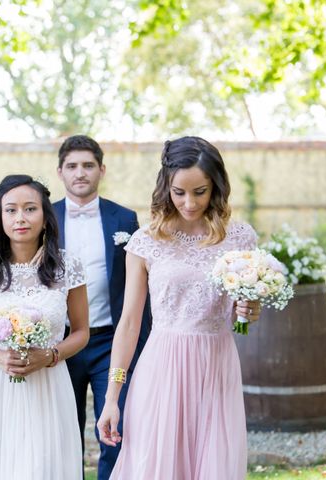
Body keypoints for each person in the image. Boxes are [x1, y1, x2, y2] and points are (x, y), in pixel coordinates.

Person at [97, 136, 262, 480]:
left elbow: (239, 312)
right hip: (161, 368)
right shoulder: (145, 241)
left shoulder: (241, 238)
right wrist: (112, 396)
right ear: (166, 188)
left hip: (216, 367)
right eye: (179, 192)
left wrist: (248, 310)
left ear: (215, 186)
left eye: (199, 192)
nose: (189, 202)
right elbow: (129, 324)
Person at [0, 174, 89, 479]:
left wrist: (51, 355)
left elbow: (81, 332)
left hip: (49, 386)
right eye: (10, 210)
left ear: (45, 216)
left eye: (30, 209)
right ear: (0, 217)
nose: (20, 218)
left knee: (42, 466)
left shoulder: (69, 266)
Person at [53, 134, 151, 479]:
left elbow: (143, 284)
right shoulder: (45, 219)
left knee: (116, 425)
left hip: (111, 343)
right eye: (72, 166)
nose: (80, 173)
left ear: (101, 170)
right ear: (60, 172)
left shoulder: (124, 219)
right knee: (64, 429)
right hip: (61, 344)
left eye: (88, 165)